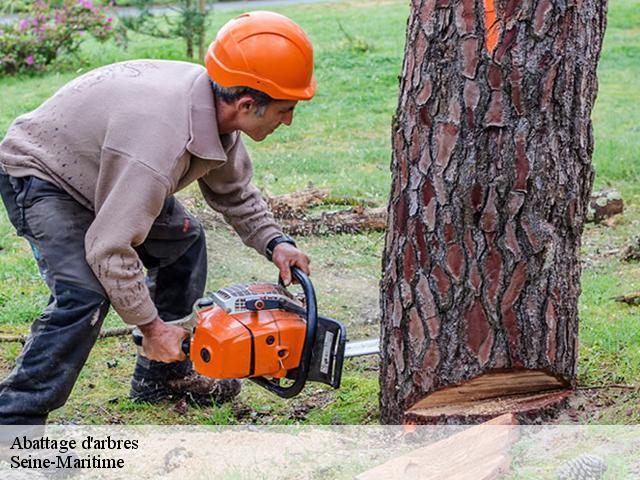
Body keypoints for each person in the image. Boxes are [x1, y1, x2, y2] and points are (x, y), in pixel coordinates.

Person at [0, 10, 315, 425]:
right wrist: (152, 328)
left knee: (182, 240)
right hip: (44, 175)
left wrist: (277, 243)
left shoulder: (216, 113)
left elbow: (233, 192)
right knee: (84, 295)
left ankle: (161, 378)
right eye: (285, 108)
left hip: (107, 171)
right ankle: (13, 422)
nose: (289, 120)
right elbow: (110, 248)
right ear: (246, 104)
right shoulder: (159, 145)